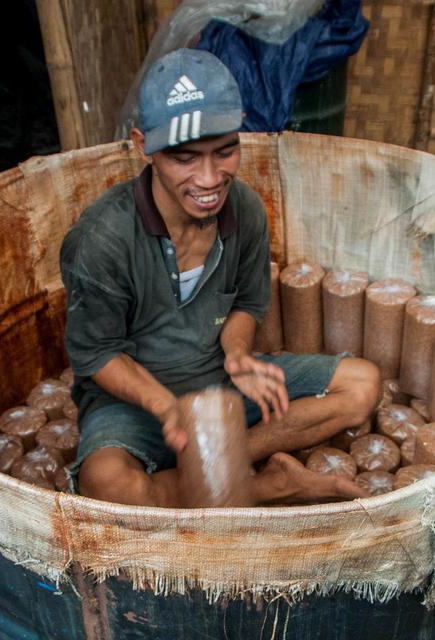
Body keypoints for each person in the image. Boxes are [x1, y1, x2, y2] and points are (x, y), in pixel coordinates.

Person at [60, 49, 379, 507]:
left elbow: (247, 305)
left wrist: (236, 356)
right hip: (134, 405)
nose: (209, 178)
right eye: (185, 159)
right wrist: (167, 409)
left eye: (225, 151)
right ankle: (268, 484)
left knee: (362, 384)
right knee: (108, 483)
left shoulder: (245, 209)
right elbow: (98, 355)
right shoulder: (100, 239)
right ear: (142, 146)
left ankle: (212, 469)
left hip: (218, 386)